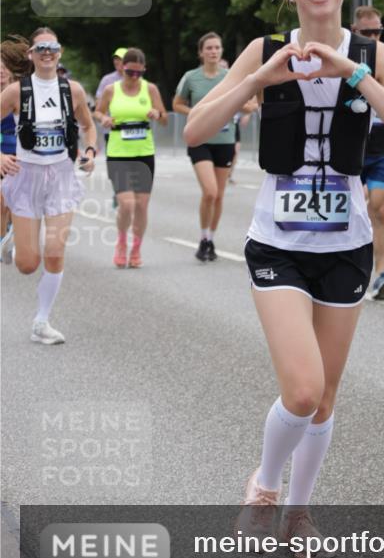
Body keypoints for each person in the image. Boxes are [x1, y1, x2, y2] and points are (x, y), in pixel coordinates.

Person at [184, 0, 384, 554]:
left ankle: (299, 513)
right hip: (278, 241)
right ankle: (264, 490)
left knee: (325, 400)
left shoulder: (377, 55)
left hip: (346, 244)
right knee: (302, 389)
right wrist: (259, 78)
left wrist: (355, 74)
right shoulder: (265, 48)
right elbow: (197, 130)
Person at [0, 29, 97, 343]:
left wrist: (91, 151)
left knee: (55, 252)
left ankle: (41, 322)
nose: (46, 52)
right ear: (31, 54)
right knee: (28, 265)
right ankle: (14, 237)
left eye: (52, 47)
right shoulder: (16, 92)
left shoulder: (74, 90)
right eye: (40, 48)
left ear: (60, 52)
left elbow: (88, 126)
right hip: (26, 177)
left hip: (60, 177)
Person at [96, 48, 167, 268]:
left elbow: (164, 117)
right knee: (126, 204)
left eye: (139, 73)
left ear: (143, 70)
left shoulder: (150, 89)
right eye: (130, 73)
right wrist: (104, 119)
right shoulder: (111, 89)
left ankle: (136, 247)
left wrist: (157, 114)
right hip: (118, 154)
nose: (135, 77)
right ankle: (121, 242)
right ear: (122, 68)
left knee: (142, 205)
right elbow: (97, 112)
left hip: (144, 153)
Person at [351, 5, 384, 300]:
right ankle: (353, 268)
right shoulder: (343, 59)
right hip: (351, 153)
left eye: (378, 31)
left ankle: (382, 275)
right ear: (354, 31)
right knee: (353, 213)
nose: (373, 38)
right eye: (367, 32)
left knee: (381, 211)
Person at [172, 33, 236, 262]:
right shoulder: (191, 77)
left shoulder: (231, 76)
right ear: (201, 52)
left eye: (217, 48)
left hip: (225, 141)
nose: (213, 51)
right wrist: (198, 115)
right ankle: (202, 237)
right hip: (200, 141)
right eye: (208, 48)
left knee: (219, 196)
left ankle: (210, 240)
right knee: (209, 191)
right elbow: (176, 104)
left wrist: (247, 106)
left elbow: (247, 99)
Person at [1, 46, 20, 264]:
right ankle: (2, 239)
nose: (1, 71)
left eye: (4, 68)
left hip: (17, 153)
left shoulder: (19, 93)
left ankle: (14, 234)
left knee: (13, 200)